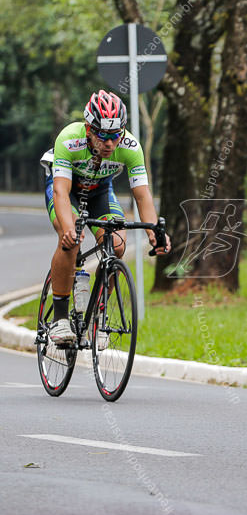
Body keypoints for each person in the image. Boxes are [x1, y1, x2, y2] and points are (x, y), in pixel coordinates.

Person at [41, 89, 171, 346]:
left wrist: (154, 233)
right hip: (67, 189)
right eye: (103, 135)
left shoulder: (131, 147)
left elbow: (142, 196)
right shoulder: (68, 139)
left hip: (100, 191)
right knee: (71, 239)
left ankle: (97, 316)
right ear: (89, 128)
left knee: (118, 246)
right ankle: (60, 319)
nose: (110, 143)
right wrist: (69, 228)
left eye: (115, 135)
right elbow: (61, 192)